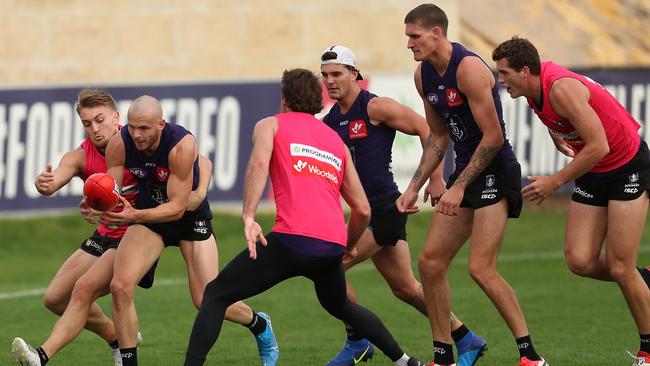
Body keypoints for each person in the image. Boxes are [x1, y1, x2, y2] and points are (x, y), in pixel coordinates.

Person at [183, 68, 426, 366]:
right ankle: (405, 361)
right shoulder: (335, 140)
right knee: (341, 306)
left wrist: (248, 214)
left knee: (216, 294)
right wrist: (347, 245)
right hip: (331, 245)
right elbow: (362, 209)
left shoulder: (270, 125)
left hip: (291, 241)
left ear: (284, 98)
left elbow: (259, 163)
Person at [397, 5, 548, 366]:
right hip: (466, 173)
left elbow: (494, 137)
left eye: (414, 36)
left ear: (436, 33)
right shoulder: (423, 76)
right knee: (430, 263)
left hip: (495, 169)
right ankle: (444, 356)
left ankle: (531, 357)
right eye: (407, 36)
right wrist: (413, 186)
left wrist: (459, 186)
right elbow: (437, 136)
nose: (409, 44)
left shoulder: (468, 69)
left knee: (481, 268)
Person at [320, 45, 487, 366]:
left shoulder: (376, 107)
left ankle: (358, 342)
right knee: (406, 288)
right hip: (365, 213)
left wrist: (435, 178)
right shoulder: (330, 122)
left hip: (384, 209)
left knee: (329, 268)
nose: (330, 81)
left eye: (337, 74)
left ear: (355, 74)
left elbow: (429, 130)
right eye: (325, 75)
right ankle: (466, 337)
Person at [492, 36, 650, 366]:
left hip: (626, 166)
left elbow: (599, 145)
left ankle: (648, 350)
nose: (500, 79)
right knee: (579, 260)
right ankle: (643, 278)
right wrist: (556, 132)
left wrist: (555, 181)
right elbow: (557, 117)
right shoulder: (532, 90)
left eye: (504, 73)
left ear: (525, 71)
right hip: (595, 171)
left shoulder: (560, 88)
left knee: (621, 267)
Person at [98, 95, 278, 366]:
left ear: (161, 124)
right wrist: (96, 204)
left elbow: (178, 208)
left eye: (144, 128)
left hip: (188, 218)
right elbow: (110, 191)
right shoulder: (119, 144)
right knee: (120, 286)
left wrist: (133, 215)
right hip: (151, 216)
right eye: (132, 127)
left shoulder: (180, 145)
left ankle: (259, 324)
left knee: (206, 300)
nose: (136, 134)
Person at [11, 88, 153, 366]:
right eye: (87, 124)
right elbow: (57, 178)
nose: (95, 129)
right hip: (106, 234)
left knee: (84, 290)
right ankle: (117, 336)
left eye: (100, 120)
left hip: (137, 235)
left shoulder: (138, 143)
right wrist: (45, 184)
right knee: (54, 298)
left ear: (116, 117)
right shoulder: (80, 156)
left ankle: (40, 356)